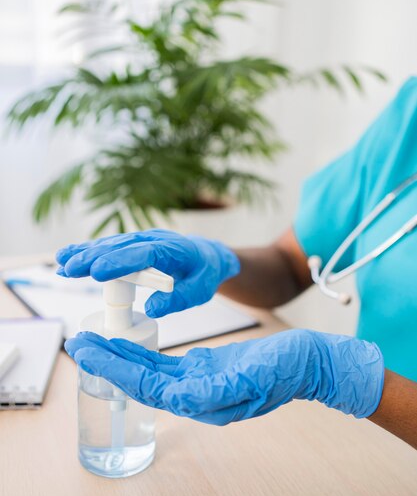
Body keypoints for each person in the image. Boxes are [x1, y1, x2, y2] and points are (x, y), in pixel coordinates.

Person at [61, 78, 417, 450]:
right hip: (364, 442)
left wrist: (337, 373)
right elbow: (291, 262)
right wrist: (216, 260)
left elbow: (336, 374)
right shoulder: (411, 114)